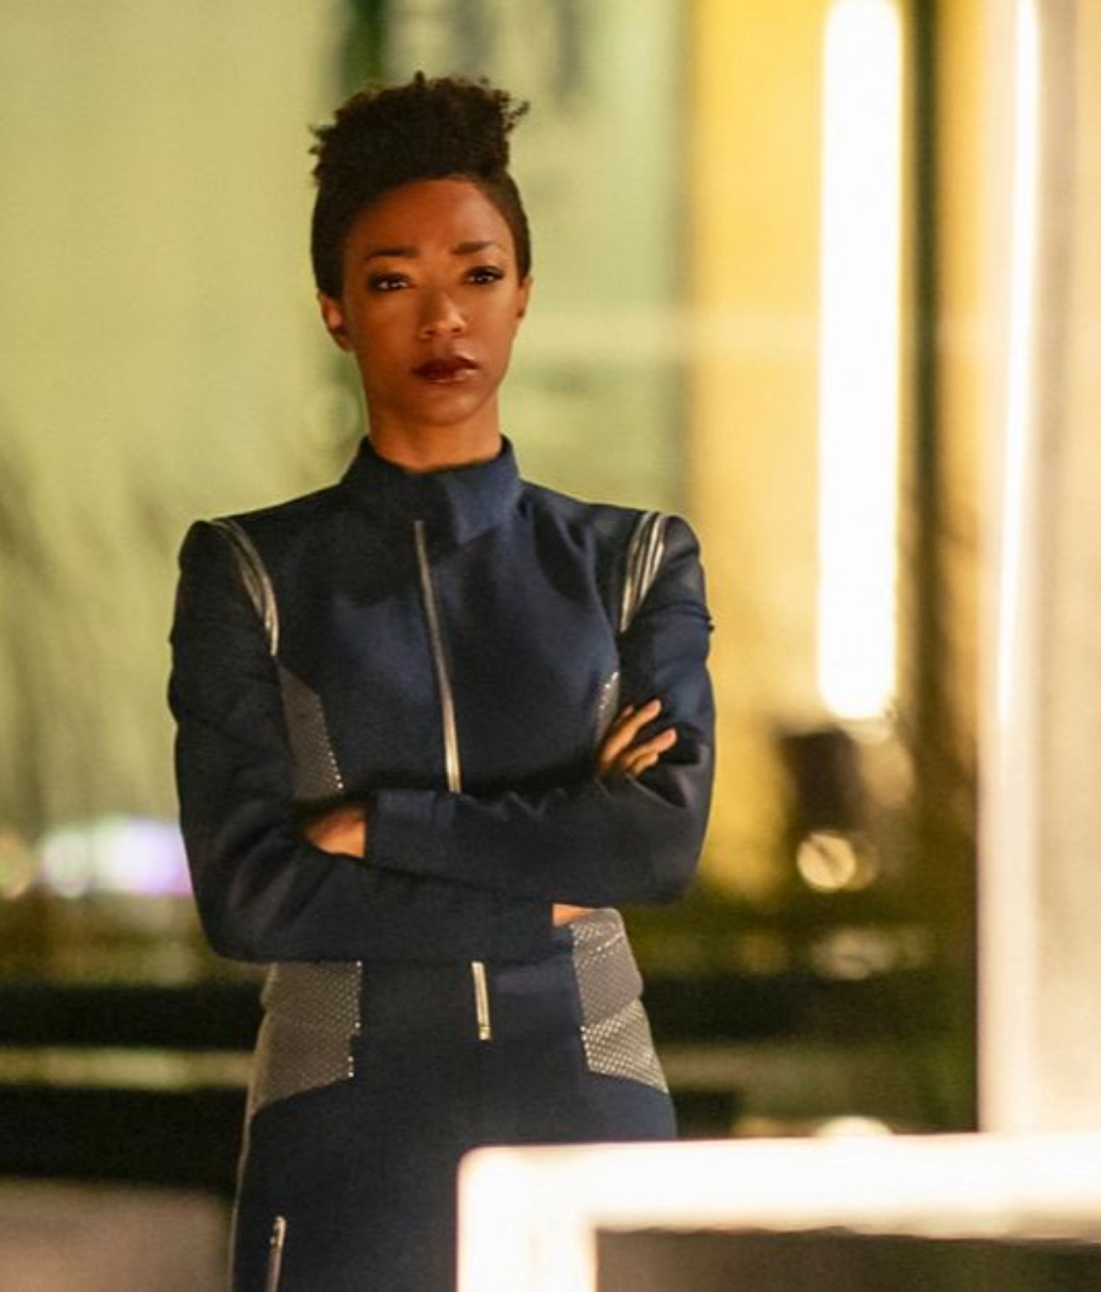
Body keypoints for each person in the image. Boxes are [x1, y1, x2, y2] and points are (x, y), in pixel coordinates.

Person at [168, 73, 715, 1292]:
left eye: (477, 273)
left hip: (588, 1108)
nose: (443, 319)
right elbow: (250, 897)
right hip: (344, 1131)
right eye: (390, 282)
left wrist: (385, 825)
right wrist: (544, 892)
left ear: (524, 292)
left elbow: (652, 847)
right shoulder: (251, 571)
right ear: (333, 310)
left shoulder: (631, 561)